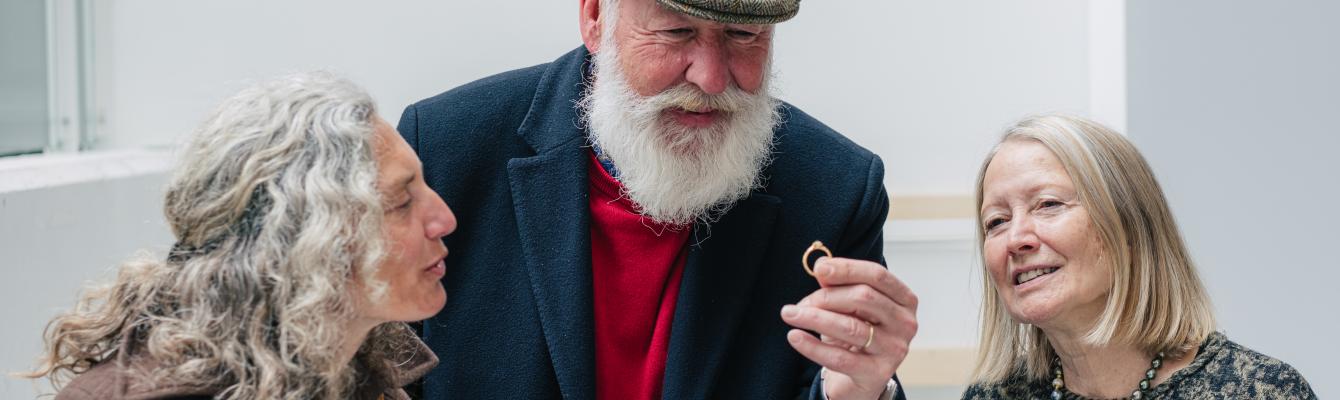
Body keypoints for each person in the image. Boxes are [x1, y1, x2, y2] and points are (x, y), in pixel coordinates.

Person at [397, 0, 918, 398]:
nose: (711, 79)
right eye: (677, 32)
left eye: (743, 35)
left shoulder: (837, 189)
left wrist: (860, 392)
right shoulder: (444, 150)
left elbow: (838, 379)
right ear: (596, 16)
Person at [27, 73, 458, 400]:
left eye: (425, 186)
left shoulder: (359, 367)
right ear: (307, 239)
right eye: (402, 203)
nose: (444, 219)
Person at [963, 114, 1317, 399]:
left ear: (1130, 229)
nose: (1015, 239)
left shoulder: (1261, 391)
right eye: (996, 222)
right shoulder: (993, 395)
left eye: (1049, 204)